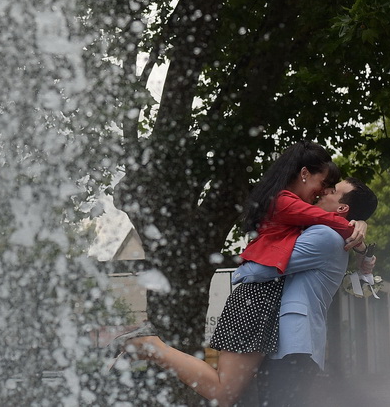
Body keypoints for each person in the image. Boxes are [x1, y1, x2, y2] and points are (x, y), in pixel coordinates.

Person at [112, 142, 368, 407]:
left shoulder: (298, 215)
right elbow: (279, 255)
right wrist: (355, 232)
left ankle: (154, 348)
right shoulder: (286, 203)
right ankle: (154, 347)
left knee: (238, 395)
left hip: (262, 305)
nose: (324, 191)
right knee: (226, 393)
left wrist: (360, 234)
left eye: (331, 190)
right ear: (305, 173)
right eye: (325, 182)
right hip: (255, 301)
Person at [235, 176, 378, 407]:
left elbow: (262, 270)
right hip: (295, 344)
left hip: (293, 343)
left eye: (332, 190)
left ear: (342, 208)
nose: (324, 190)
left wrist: (238, 271)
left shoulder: (325, 236)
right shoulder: (328, 232)